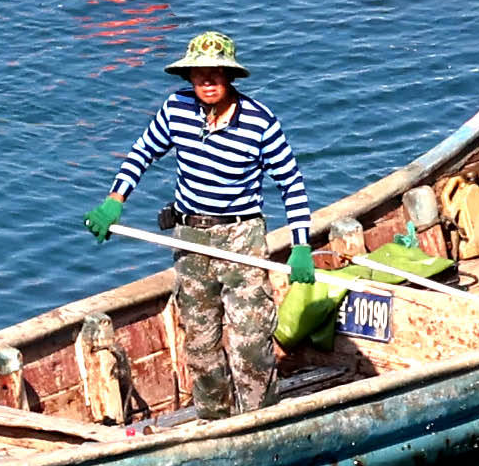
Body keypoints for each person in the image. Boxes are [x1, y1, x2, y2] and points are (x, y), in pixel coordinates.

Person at [94, 32, 315, 421]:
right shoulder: (175, 109)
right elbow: (143, 152)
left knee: (250, 341)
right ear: (189, 77)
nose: (207, 82)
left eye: (216, 74)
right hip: (191, 236)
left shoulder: (261, 123)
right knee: (200, 343)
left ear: (230, 78)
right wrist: (115, 201)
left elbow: (291, 186)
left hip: (241, 237)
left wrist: (300, 246)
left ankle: (261, 420)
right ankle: (215, 419)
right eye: (199, 75)